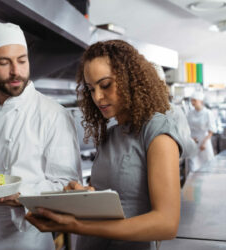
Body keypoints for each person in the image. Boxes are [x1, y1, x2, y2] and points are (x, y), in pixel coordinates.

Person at [25, 39, 183, 250]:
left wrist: (79, 225)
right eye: (91, 89)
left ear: (129, 79)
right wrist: (81, 197)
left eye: (106, 85)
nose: (98, 97)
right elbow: (114, 199)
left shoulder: (156, 129)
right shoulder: (110, 134)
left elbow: (166, 224)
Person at [0, 22, 82, 250]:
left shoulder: (52, 114)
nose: (16, 71)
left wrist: (18, 195)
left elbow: (68, 187)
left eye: (22, 60)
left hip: (29, 239)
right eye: (3, 62)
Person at [187, 91, 216, 171]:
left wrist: (204, 143)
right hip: (193, 141)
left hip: (204, 141)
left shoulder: (208, 113)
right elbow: (187, 127)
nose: (192, 103)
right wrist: (190, 139)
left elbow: (211, 130)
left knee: (207, 166)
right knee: (193, 166)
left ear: (200, 101)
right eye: (191, 100)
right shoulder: (190, 113)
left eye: (194, 100)